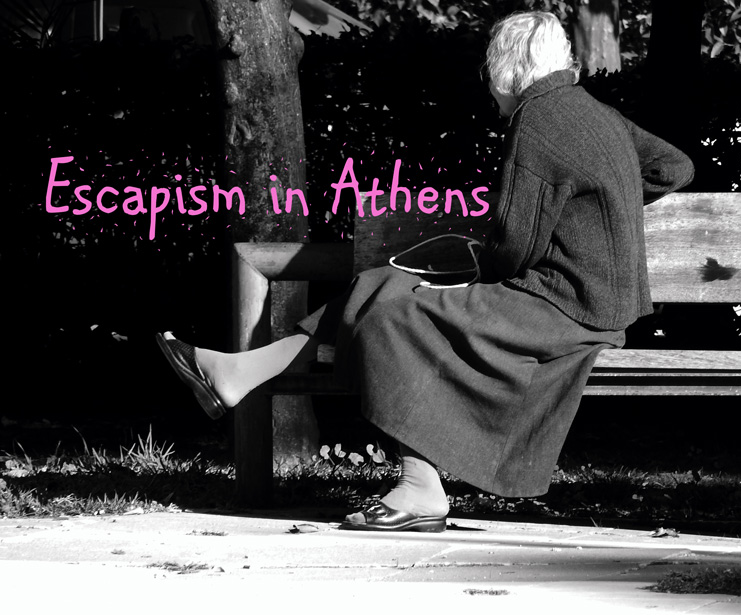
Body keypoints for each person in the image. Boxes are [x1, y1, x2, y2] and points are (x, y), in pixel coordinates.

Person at [157, 11, 694, 533]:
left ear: (507, 70)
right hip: (588, 300)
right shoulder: (593, 112)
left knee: (397, 316)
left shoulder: (539, 121)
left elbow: (509, 252)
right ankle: (239, 374)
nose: (490, 91)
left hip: (562, 307)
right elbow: (674, 166)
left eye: (489, 75)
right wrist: (600, 202)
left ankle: (420, 488)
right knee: (380, 285)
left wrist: (491, 259)